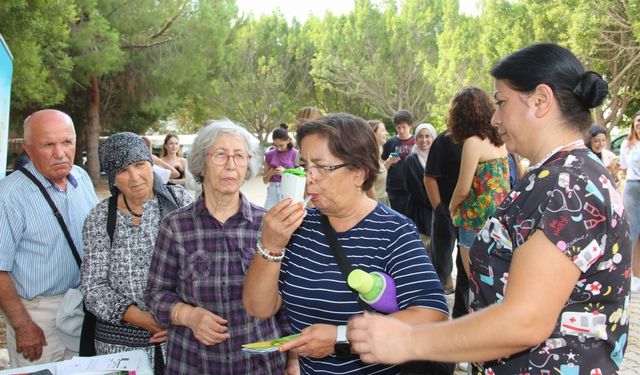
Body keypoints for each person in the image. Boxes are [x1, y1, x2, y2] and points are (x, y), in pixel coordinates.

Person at [348, 43, 631, 374]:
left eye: (501, 102)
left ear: (541, 100)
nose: (495, 118)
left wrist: (409, 340)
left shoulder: (569, 184)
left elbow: (524, 321)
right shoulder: (563, 175)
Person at [243, 113, 449, 374]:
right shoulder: (299, 227)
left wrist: (341, 339)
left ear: (359, 173)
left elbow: (432, 315)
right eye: (306, 166)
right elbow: (258, 307)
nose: (309, 178)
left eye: (322, 167)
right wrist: (270, 245)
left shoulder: (394, 231)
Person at [144, 119, 293, 374]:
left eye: (239, 156)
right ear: (202, 162)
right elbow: (155, 294)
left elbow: (288, 300)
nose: (231, 165)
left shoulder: (268, 225)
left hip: (258, 364)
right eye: (221, 155)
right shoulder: (175, 226)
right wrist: (189, 316)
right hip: (194, 362)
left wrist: (293, 359)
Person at [81, 133, 193, 374]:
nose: (135, 178)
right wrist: (142, 319)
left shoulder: (180, 201)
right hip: (119, 350)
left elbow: (202, 265)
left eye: (140, 165)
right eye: (122, 171)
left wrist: (180, 316)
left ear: (150, 164)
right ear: (112, 178)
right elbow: (93, 288)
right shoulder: (101, 218)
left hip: (180, 340)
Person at [0, 109, 99, 367]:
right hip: (38, 317)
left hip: (82, 306)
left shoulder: (81, 177)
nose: (60, 153)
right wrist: (22, 325)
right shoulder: (9, 195)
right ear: (28, 148)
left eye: (66, 142)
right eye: (48, 144)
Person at [447, 87, 510, 278]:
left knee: (476, 282)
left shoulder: (473, 142)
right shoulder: (499, 140)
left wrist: (451, 207)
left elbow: (463, 188)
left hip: (475, 221)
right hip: (500, 220)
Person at [424, 131, 464, 300]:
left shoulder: (486, 138)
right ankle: (437, 295)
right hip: (446, 209)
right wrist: (439, 208)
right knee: (441, 255)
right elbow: (429, 176)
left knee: (466, 263)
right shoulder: (445, 139)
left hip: (474, 214)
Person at [403, 123, 437, 253]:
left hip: (435, 210)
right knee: (423, 247)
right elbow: (416, 190)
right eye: (420, 136)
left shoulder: (436, 156)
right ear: (415, 139)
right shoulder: (411, 160)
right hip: (420, 211)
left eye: (428, 136)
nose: (424, 140)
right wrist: (436, 204)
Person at [381, 110, 415, 216]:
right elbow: (382, 166)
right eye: (398, 127)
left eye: (404, 127)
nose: (401, 130)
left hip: (412, 189)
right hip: (394, 189)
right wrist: (389, 161)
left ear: (410, 126)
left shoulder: (416, 142)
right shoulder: (390, 143)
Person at [622, 110, 640, 291]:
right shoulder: (628, 144)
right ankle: (627, 274)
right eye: (638, 121)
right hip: (632, 187)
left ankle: (638, 275)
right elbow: (624, 166)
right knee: (631, 230)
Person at [263, 123, 298, 210]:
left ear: (288, 140)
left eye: (281, 145)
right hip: (272, 191)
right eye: (275, 145)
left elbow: (300, 178)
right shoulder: (269, 155)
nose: (278, 149)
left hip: (289, 190)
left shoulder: (295, 153)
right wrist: (271, 173)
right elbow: (265, 181)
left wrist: (285, 173)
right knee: (266, 217)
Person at [367, 119, 390, 205]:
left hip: (383, 200)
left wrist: (389, 162)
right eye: (383, 130)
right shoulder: (368, 157)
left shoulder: (376, 154)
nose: (386, 133)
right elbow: (369, 186)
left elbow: (378, 173)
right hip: (375, 203)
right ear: (373, 133)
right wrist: (377, 210)